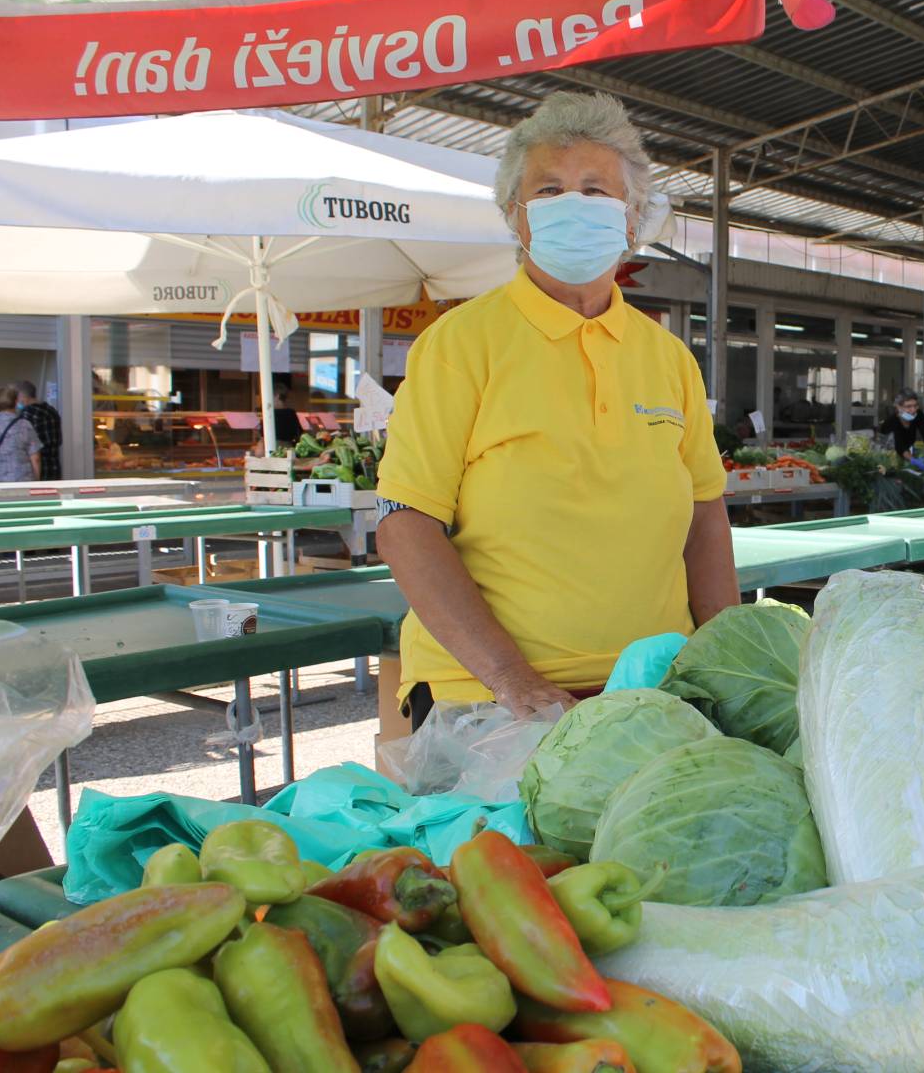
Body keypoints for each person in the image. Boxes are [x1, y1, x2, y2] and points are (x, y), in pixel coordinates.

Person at [376, 92, 737, 722]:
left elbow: (705, 517)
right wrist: (512, 679)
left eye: (597, 190)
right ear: (516, 219)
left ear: (632, 220)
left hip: (651, 692)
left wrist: (732, 662)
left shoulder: (669, 357)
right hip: (490, 701)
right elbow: (406, 524)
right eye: (548, 190)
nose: (574, 205)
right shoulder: (460, 345)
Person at [0, 386, 42, 483]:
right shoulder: (25, 425)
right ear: (16, 402)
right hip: (22, 479)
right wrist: (36, 480)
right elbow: (35, 458)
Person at [14, 380, 62, 481]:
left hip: (37, 470)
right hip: (54, 468)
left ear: (22, 397)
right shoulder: (51, 410)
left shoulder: (27, 415)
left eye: (16, 398)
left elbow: (31, 449)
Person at [878, 389, 924, 458]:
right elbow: (899, 447)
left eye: (915, 405)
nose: (913, 410)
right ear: (898, 407)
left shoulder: (918, 414)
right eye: (908, 406)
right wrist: (913, 460)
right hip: (889, 455)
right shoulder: (891, 422)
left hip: (907, 453)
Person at [271, 378, 301, 450]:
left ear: (277, 396)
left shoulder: (270, 414)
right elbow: (298, 432)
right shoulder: (291, 413)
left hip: (275, 449)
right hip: (289, 449)